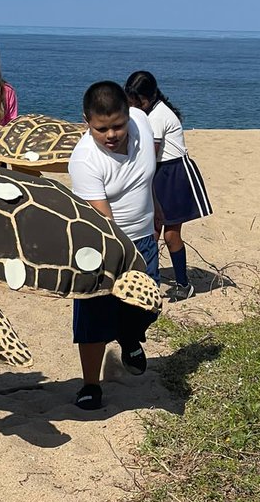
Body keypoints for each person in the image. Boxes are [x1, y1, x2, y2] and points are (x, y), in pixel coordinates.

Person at [67, 81, 160, 411]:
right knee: (93, 318)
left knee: (148, 306)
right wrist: (120, 266)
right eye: (101, 128)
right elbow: (104, 222)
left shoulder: (142, 121)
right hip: (102, 246)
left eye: (118, 125)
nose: (111, 134)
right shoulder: (84, 161)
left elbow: (149, 170)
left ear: (129, 114)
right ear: (86, 121)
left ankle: (129, 337)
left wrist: (157, 210)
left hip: (145, 236)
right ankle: (91, 384)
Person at [125, 70, 213, 301]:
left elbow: (148, 156)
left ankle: (184, 284)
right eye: (131, 100)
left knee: (170, 234)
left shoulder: (157, 116)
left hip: (173, 174)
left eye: (138, 101)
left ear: (151, 96)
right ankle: (145, 279)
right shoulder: (148, 112)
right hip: (159, 173)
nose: (135, 105)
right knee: (150, 231)